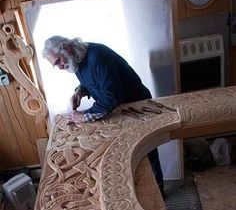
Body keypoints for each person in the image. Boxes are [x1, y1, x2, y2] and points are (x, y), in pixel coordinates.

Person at [43, 36, 164, 196]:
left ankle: (159, 196)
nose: (59, 66)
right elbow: (91, 82)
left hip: (137, 106)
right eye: (56, 65)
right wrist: (79, 92)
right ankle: (137, 195)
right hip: (119, 111)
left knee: (147, 153)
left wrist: (84, 116)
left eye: (58, 61)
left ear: (66, 48)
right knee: (127, 154)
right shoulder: (76, 60)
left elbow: (111, 97)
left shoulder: (98, 56)